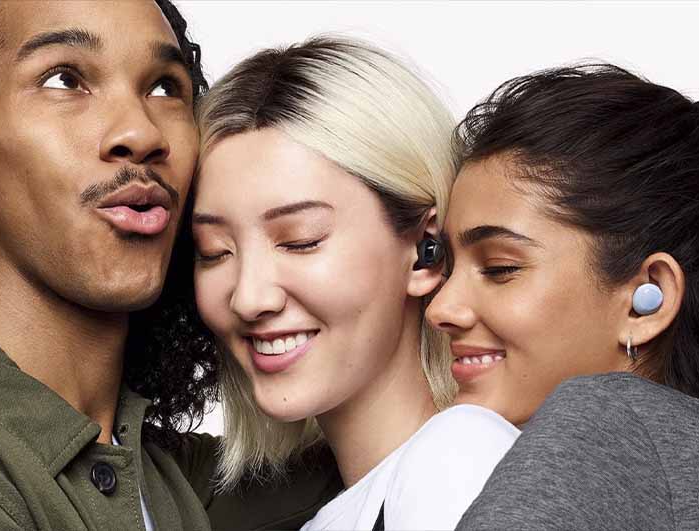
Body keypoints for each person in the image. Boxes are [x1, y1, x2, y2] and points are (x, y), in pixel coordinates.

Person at [0, 1, 339, 529]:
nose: (142, 133)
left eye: (163, 87)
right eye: (65, 79)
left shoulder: (172, 480)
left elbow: (387, 452)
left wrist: (412, 287)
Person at [192, 37, 519, 531]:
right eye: (215, 251)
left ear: (425, 251)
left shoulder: (460, 456)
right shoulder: (345, 506)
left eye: (299, 241)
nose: (249, 297)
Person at [422, 63, 699, 528]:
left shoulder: (603, 423)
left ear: (647, 295)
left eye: (500, 268)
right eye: (447, 265)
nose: (440, 309)